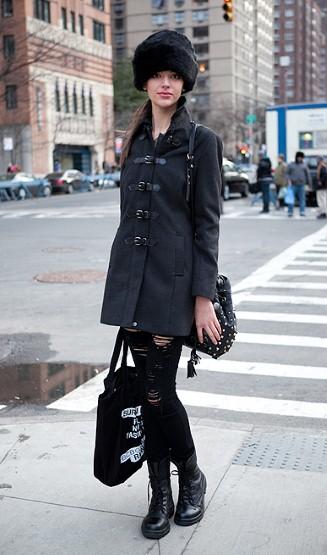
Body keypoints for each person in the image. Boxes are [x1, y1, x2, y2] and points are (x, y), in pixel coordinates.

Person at [100, 30, 222, 539]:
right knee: (150, 394)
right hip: (132, 285)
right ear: (145, 81)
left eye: (174, 76)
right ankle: (161, 491)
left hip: (173, 290)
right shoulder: (133, 141)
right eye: (158, 75)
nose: (166, 84)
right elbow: (130, 217)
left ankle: (189, 476)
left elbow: (206, 225)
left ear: (185, 82)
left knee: (156, 392)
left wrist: (202, 298)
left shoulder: (201, 143)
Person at [286, 151, 311, 217]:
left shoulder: (304, 165)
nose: (300, 159)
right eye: (299, 157)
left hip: (301, 185)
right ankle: (290, 212)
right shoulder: (291, 165)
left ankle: (302, 211)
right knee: (291, 199)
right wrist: (288, 180)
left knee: (302, 199)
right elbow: (287, 173)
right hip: (293, 184)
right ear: (296, 157)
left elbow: (308, 175)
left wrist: (309, 184)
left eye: (301, 158)